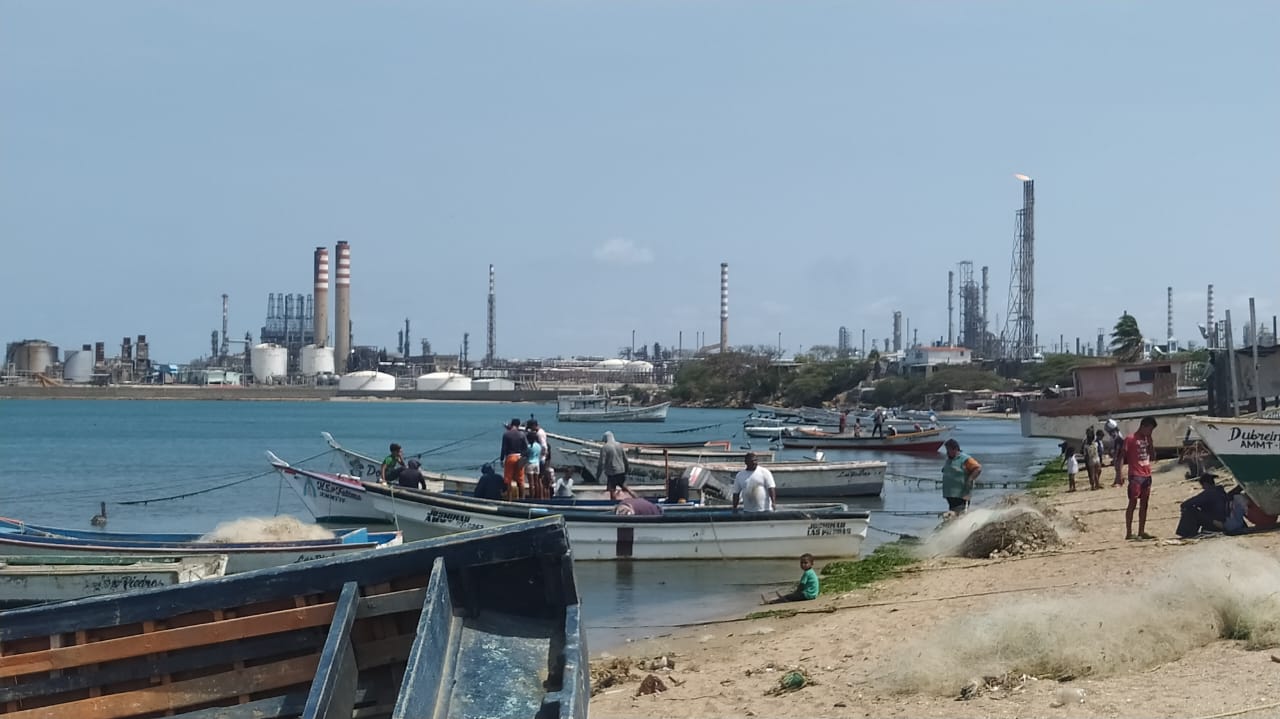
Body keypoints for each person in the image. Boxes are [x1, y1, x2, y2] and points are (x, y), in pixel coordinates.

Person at [1124, 416, 1158, 540]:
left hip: (1147, 474)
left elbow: (1153, 456)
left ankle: (1141, 531)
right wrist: (1119, 474)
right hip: (1135, 474)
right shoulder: (1130, 439)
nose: (1150, 432)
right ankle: (1129, 532)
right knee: (1132, 502)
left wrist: (1151, 442)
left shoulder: (1147, 439)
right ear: (1143, 426)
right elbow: (1122, 456)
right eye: (1149, 429)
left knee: (1145, 504)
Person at [1176, 473, 1229, 538]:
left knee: (1190, 510)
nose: (1203, 487)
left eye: (1202, 485)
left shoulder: (1209, 493)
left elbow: (1186, 504)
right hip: (1222, 521)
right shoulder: (1220, 491)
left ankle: (1187, 533)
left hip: (1216, 523)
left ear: (1205, 484)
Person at [941, 438, 981, 514]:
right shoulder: (950, 459)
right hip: (950, 494)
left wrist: (970, 479)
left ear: (955, 449)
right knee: (953, 513)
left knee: (960, 513)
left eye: (948, 450)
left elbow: (978, 468)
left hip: (961, 494)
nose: (947, 452)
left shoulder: (965, 459)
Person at [596, 431, 631, 500]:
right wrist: (626, 471)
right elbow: (625, 460)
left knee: (611, 490)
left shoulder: (605, 448)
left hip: (612, 473)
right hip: (621, 471)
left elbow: (601, 463)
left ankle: (613, 503)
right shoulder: (619, 445)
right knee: (626, 488)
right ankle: (637, 498)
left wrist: (598, 475)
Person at [500, 418, 529, 500]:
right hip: (519, 457)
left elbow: (503, 448)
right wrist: (524, 458)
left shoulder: (506, 434)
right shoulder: (522, 434)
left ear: (511, 424)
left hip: (510, 457)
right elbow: (526, 448)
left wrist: (502, 459)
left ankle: (510, 500)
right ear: (518, 425)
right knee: (520, 481)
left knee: (508, 480)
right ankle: (522, 499)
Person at [1107, 420, 1125, 487]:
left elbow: (1118, 447)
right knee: (1118, 468)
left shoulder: (1118, 438)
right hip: (1120, 453)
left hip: (1119, 454)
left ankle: (1119, 482)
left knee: (1118, 468)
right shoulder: (1118, 435)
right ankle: (1118, 480)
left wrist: (1115, 455)